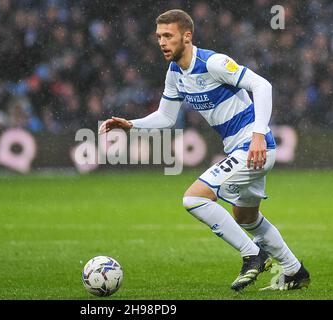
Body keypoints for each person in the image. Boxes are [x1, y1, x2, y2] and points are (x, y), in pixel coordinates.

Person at [99, 9, 310, 291]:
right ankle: (295, 271)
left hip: (253, 146)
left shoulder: (213, 62)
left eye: (168, 36)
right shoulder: (175, 72)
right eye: (159, 36)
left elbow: (262, 85)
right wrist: (131, 125)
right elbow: (165, 116)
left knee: (194, 199)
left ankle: (253, 255)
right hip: (242, 149)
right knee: (245, 217)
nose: (162, 42)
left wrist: (259, 134)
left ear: (187, 36)